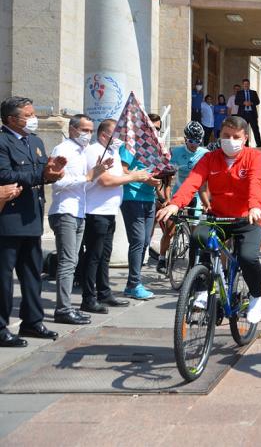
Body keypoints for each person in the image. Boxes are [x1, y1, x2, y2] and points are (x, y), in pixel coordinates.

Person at [157, 115, 261, 325]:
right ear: (219, 136)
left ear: (244, 138)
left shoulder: (255, 157)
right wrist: (175, 204)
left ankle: (255, 296)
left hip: (248, 218)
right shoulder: (209, 158)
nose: (231, 140)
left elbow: (257, 182)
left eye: (236, 136)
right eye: (226, 136)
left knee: (247, 257)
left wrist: (254, 205)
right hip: (219, 217)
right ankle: (201, 289)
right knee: (199, 238)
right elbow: (193, 182)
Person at [0, 97, 65, 347]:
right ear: (12, 119)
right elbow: (4, 174)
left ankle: (32, 321)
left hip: (32, 216)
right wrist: (40, 174)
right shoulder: (3, 141)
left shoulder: (35, 141)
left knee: (32, 275)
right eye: (28, 114)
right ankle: (2, 328)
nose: (33, 118)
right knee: (4, 278)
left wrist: (51, 173)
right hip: (9, 218)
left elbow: (41, 174)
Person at [79, 120, 151, 315]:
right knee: (93, 255)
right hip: (96, 211)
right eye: (116, 135)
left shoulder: (113, 153)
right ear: (104, 135)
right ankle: (88, 297)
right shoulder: (95, 151)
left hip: (109, 211)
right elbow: (105, 180)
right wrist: (133, 178)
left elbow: (120, 175)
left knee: (104, 256)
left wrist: (132, 174)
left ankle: (104, 292)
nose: (119, 139)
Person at [48, 114, 113, 325]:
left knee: (73, 261)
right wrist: (86, 177)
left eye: (91, 130)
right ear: (73, 129)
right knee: (67, 263)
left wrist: (99, 171)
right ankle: (63, 310)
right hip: (64, 211)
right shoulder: (63, 150)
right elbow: (56, 183)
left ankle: (67, 308)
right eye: (85, 130)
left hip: (79, 211)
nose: (88, 134)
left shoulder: (83, 152)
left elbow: (88, 181)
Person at [119, 113, 163, 301]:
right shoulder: (129, 146)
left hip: (149, 198)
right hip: (132, 197)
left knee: (145, 241)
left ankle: (133, 283)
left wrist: (155, 182)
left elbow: (155, 173)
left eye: (158, 129)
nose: (156, 132)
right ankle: (133, 284)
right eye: (153, 128)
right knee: (137, 241)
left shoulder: (154, 149)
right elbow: (122, 170)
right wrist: (140, 177)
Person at [156, 122, 210, 274]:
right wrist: (167, 199)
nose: (194, 145)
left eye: (198, 141)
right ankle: (161, 258)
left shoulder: (205, 154)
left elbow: (206, 182)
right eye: (192, 141)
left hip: (196, 195)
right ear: (186, 139)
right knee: (170, 229)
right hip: (178, 192)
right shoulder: (176, 152)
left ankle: (194, 263)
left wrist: (207, 202)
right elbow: (167, 178)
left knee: (195, 232)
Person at [235, 78, 261, 147]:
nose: (246, 85)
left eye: (247, 84)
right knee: (243, 130)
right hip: (243, 114)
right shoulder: (239, 93)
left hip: (252, 113)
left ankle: (259, 144)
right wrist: (243, 103)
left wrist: (251, 103)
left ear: (249, 85)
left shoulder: (253, 92)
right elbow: (236, 102)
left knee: (255, 129)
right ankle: (245, 145)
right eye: (244, 84)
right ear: (243, 85)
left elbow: (258, 102)